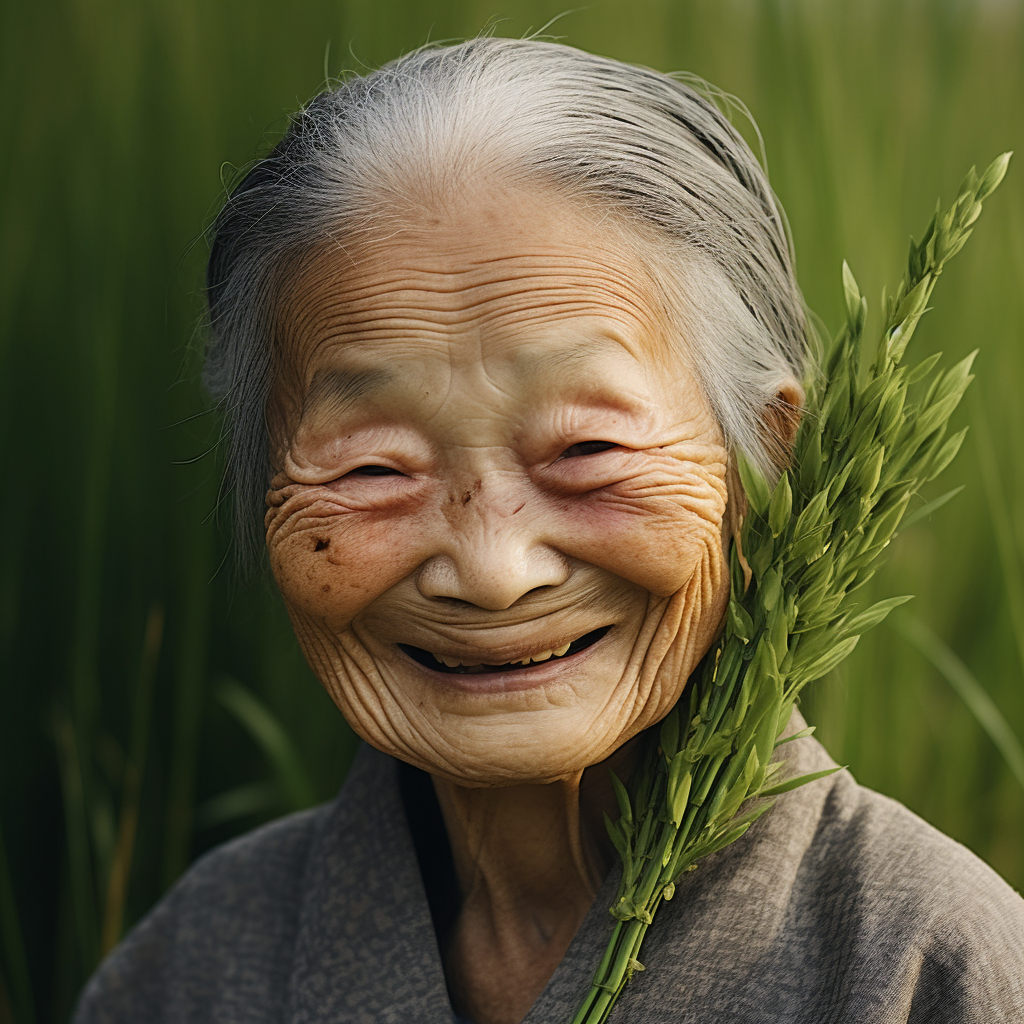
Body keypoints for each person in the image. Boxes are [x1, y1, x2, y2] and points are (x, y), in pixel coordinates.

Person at [73, 38, 1024, 1024]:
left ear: (762, 464)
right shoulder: (197, 967)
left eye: (584, 451)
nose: (492, 570)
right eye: (373, 469)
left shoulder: (929, 969)